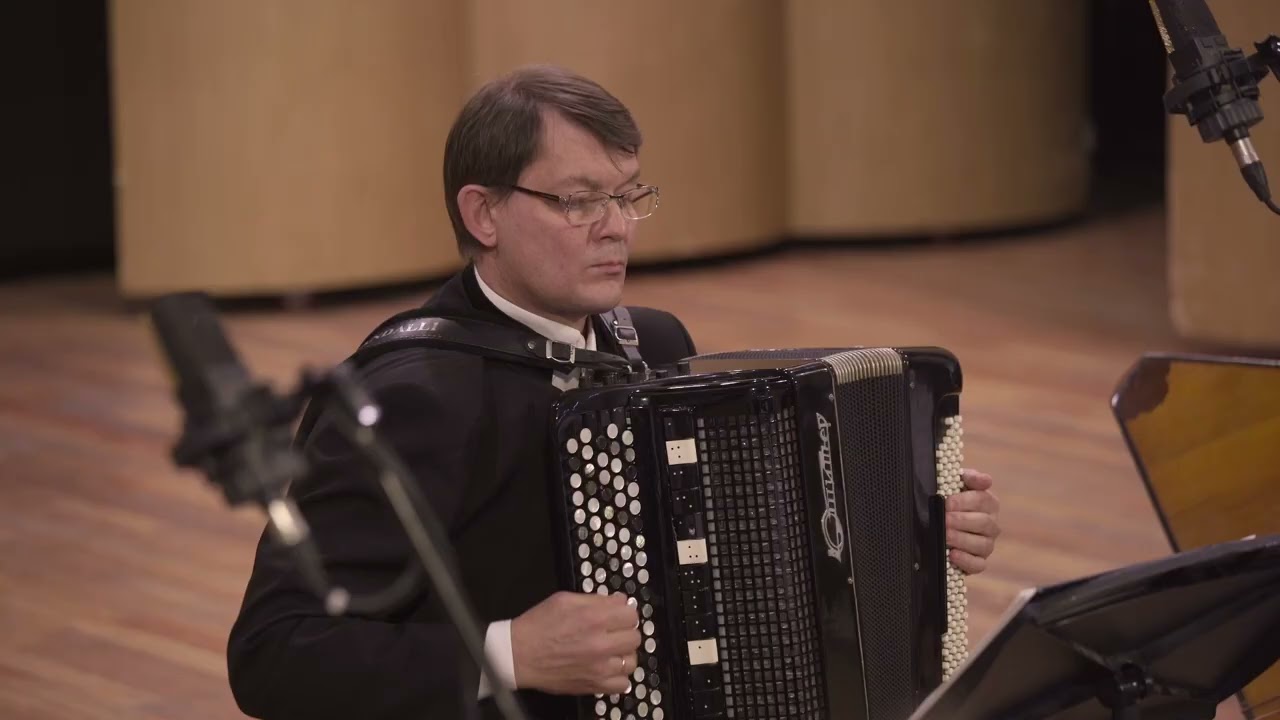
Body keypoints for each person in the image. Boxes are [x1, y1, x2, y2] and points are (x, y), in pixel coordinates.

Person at [225, 64, 1002, 720]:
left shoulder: (653, 344)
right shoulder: (410, 399)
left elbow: (748, 558)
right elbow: (273, 653)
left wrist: (913, 530)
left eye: (629, 195)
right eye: (578, 200)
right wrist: (512, 653)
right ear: (483, 213)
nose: (618, 227)